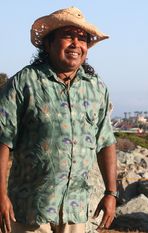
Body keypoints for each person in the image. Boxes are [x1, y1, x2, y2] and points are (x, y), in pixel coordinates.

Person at [0, 7, 117, 233]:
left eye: (82, 38)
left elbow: (106, 141)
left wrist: (111, 193)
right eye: (67, 36)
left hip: (75, 211)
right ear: (48, 43)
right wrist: (1, 196)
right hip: (28, 210)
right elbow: (2, 140)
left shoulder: (96, 88)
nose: (76, 43)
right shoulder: (24, 83)